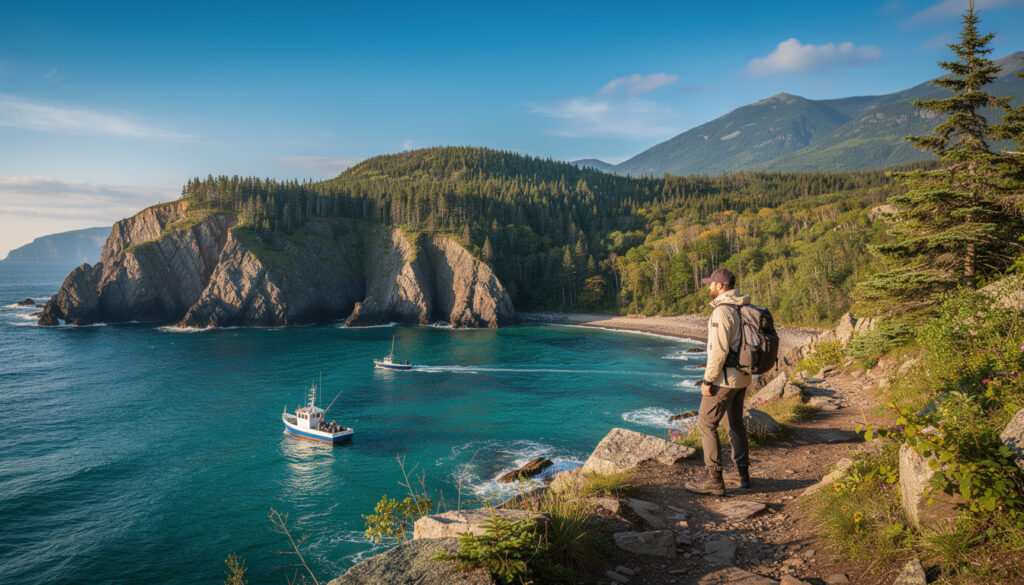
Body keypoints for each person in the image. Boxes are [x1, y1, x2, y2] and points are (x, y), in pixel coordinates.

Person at [684, 268, 752, 496]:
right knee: (735, 424)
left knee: (705, 423)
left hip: (725, 379)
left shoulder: (722, 312)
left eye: (711, 284)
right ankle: (742, 474)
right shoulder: (742, 307)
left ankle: (714, 479)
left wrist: (707, 380)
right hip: (742, 376)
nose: (709, 287)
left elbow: (718, 353)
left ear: (721, 286)